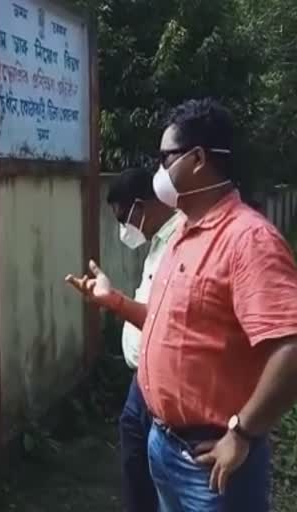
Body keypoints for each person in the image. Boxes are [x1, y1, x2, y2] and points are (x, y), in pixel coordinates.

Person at [67, 99, 297, 511]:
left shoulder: (247, 241)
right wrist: (113, 300)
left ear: (196, 159)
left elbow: (290, 348)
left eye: (164, 158)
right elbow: (165, 322)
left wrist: (242, 435)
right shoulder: (181, 235)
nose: (158, 171)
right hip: (164, 444)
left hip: (208, 462)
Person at [103, 168, 182, 512]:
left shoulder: (181, 240)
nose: (124, 228)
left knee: (160, 473)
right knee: (136, 461)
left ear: (144, 204)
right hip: (141, 380)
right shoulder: (157, 242)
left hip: (166, 382)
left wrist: (114, 301)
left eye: (125, 217)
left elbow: (165, 318)